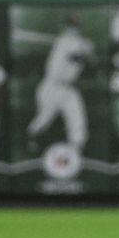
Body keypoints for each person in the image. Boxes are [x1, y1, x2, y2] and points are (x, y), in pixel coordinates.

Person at [27, 15, 93, 153]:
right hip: (52, 87)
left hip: (68, 89)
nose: (74, 29)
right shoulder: (64, 42)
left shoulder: (76, 42)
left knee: (78, 120)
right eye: (71, 27)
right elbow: (76, 56)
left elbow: (90, 62)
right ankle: (31, 140)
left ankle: (76, 151)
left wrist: (88, 51)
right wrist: (86, 50)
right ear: (65, 28)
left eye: (76, 26)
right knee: (43, 120)